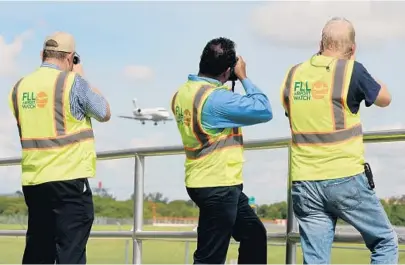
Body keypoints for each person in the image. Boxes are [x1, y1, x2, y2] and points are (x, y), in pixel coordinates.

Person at [280, 17, 397, 264]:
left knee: (315, 260)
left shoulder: (293, 74)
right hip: (345, 179)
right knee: (385, 241)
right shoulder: (351, 70)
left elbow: (292, 111)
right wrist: (355, 66)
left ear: (320, 43)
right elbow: (385, 98)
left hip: (304, 183)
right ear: (352, 49)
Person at [8, 31, 111, 264]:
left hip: (34, 182)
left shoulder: (19, 87)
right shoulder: (72, 82)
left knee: (38, 251)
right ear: (70, 58)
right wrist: (82, 76)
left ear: (42, 55)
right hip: (69, 182)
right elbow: (104, 112)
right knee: (70, 252)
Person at [171, 37, 272, 264]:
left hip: (206, 181)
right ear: (227, 71)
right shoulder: (216, 99)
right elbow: (264, 110)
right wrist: (244, 77)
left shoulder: (183, 93)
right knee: (210, 258)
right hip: (218, 184)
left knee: (254, 235)